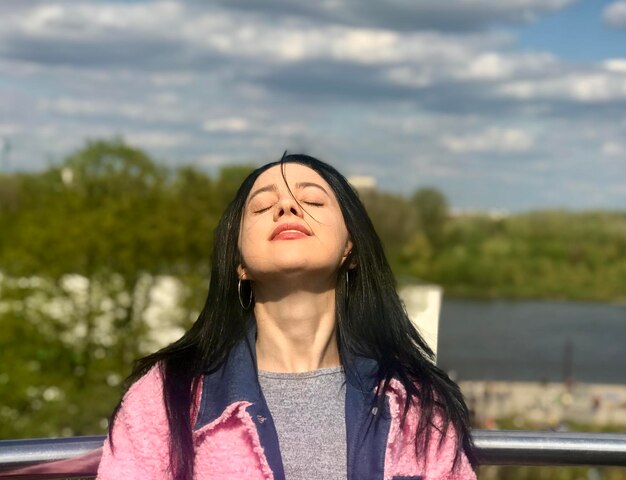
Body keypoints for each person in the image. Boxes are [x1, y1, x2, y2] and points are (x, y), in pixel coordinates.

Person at [97, 154, 477, 480]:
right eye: (262, 207)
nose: (287, 207)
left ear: (351, 248)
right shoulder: (169, 394)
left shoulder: (414, 402)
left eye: (312, 200)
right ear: (238, 263)